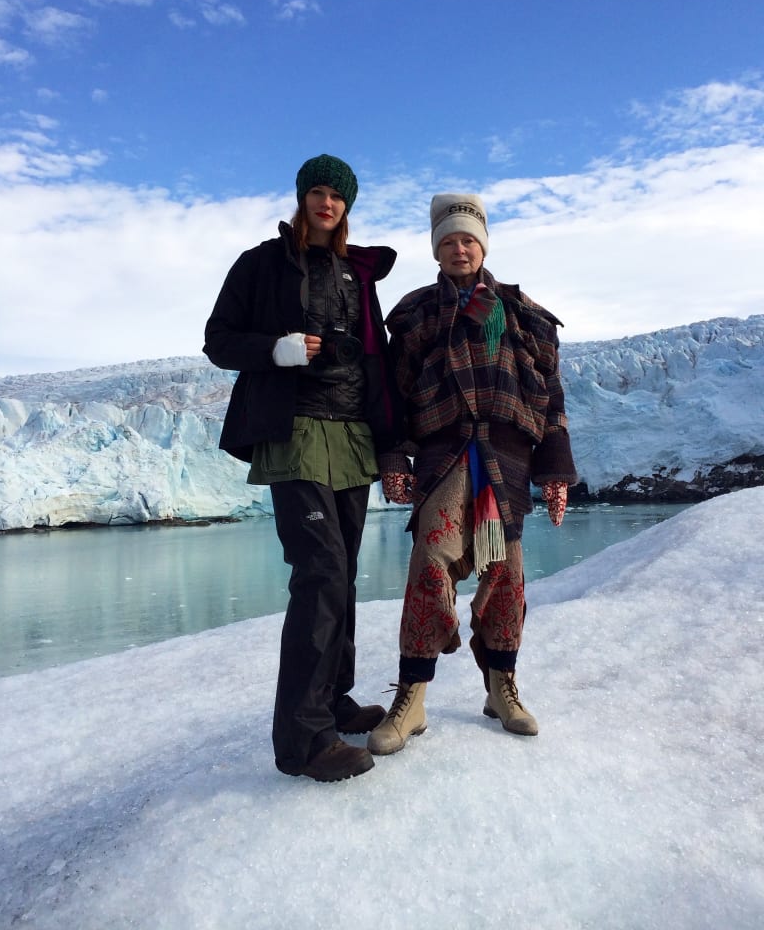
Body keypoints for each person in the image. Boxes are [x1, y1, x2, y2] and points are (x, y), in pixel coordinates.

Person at [203, 154, 402, 783]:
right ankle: (304, 740)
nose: (327, 203)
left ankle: (333, 700)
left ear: (348, 206)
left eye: (338, 196)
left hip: (351, 436)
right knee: (319, 570)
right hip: (293, 432)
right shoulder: (262, 263)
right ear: (301, 197)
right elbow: (217, 338)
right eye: (317, 191)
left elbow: (376, 359)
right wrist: (275, 350)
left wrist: (394, 438)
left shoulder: (357, 274)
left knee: (342, 574)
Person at [368, 193, 577, 756]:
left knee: (507, 571)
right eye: (447, 241)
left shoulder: (521, 311)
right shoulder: (414, 314)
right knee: (431, 556)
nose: (458, 249)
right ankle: (411, 695)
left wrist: (555, 468)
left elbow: (548, 393)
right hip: (445, 451)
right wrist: (393, 459)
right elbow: (393, 396)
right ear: (435, 249)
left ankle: (500, 685)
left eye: (468, 239)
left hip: (506, 456)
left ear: (483, 245)